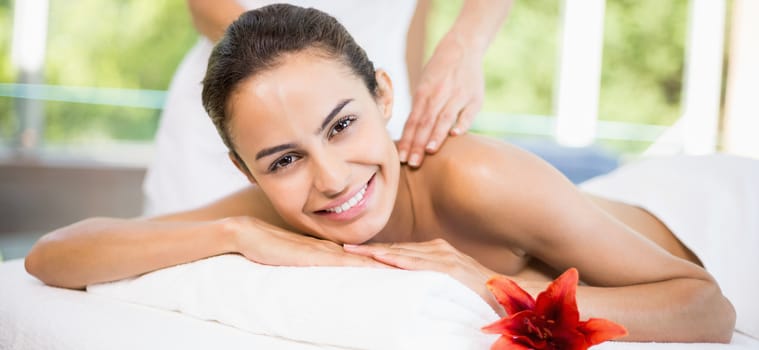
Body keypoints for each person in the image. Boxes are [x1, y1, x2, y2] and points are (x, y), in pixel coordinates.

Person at [25, 4, 740, 343]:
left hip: (711, 218)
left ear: (385, 97)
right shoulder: (265, 207)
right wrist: (234, 230)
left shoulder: (473, 178)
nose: (331, 179)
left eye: (342, 125)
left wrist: (490, 286)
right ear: (245, 167)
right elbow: (52, 254)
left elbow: (707, 308)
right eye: (282, 160)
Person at [143, 0, 513, 216]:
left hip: (364, 113)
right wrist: (310, 73)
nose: (332, 180)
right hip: (241, 116)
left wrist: (466, 44)